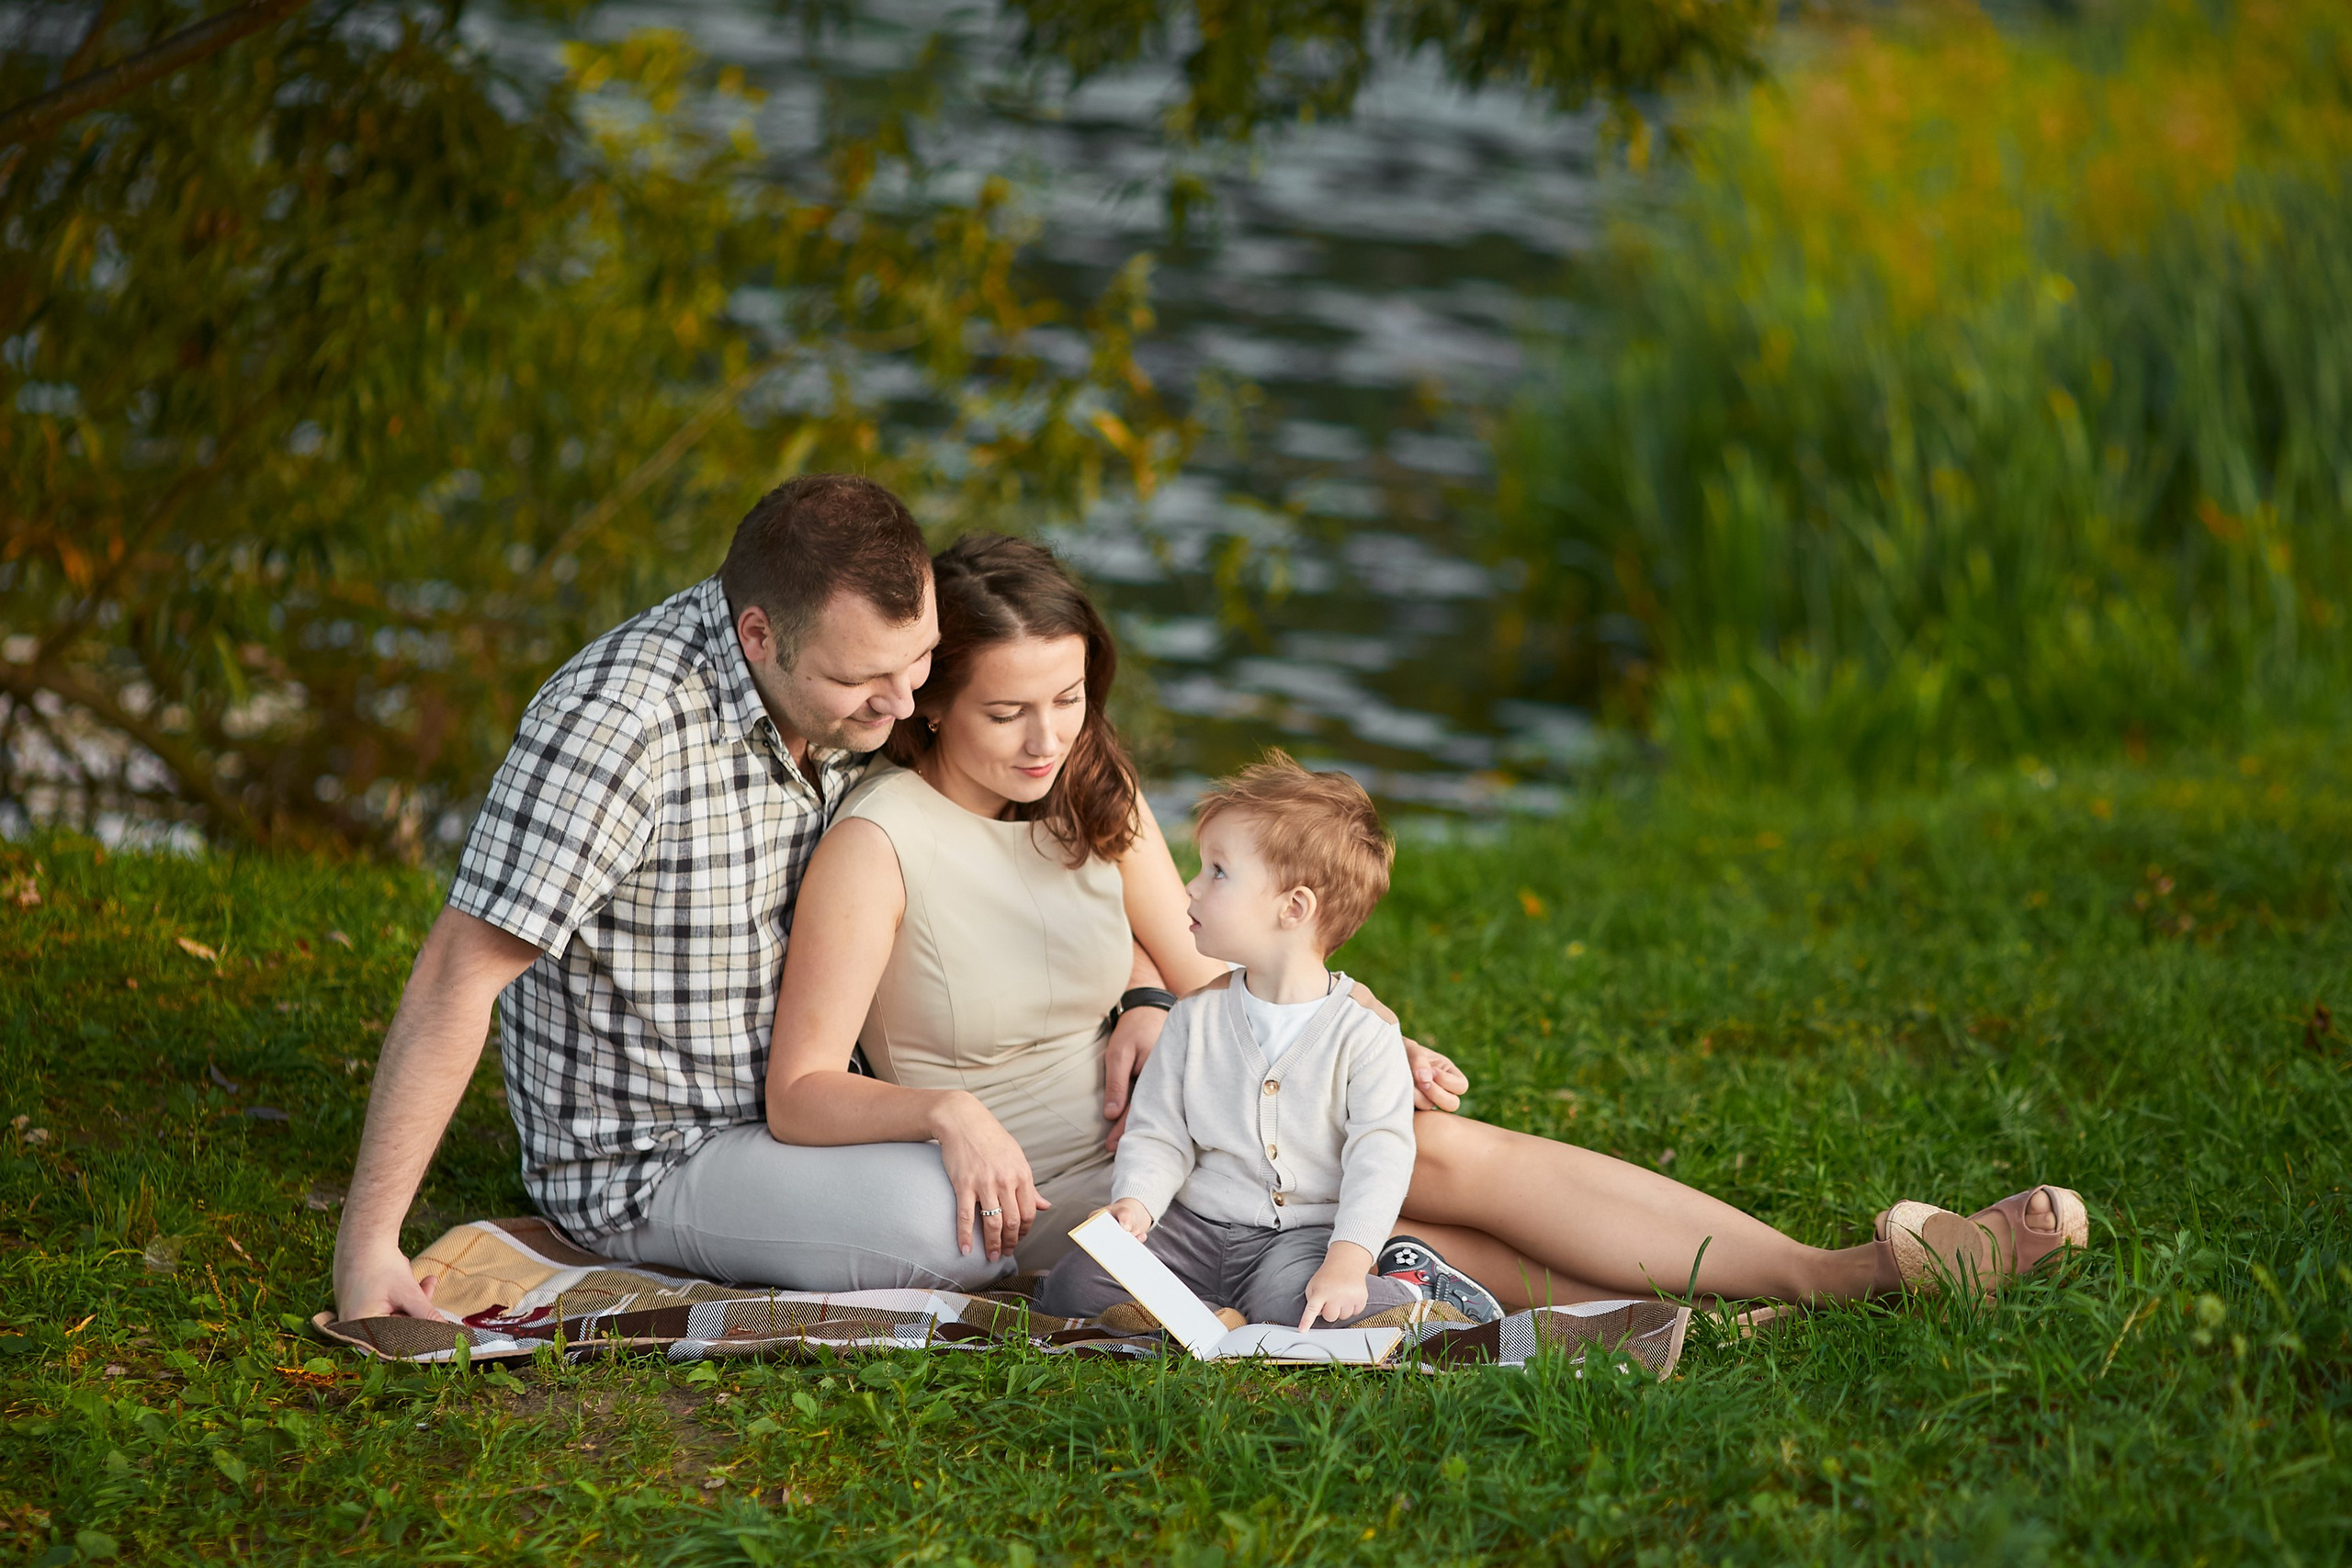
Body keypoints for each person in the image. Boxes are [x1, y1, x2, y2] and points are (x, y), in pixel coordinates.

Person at [761, 532, 2091, 1312]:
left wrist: (1323, 1031)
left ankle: (1829, 1279)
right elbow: (803, 1091)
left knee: (1423, 1155)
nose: (1051, 737)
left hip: (1206, 1113)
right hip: (1080, 1201)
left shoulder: (1091, 795)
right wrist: (944, 1111)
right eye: (1009, 712)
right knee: (1417, 1194)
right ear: (930, 700)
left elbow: (1206, 961)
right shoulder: (881, 844)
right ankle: (1842, 1277)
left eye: (1071, 699)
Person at [1040, 751, 1474, 1331]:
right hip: (1191, 1227)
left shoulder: (1366, 1034)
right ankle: (1213, 1317)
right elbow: (1160, 1130)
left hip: (1299, 1239)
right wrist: (1137, 1204)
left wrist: (1348, 1260)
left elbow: (1379, 1156)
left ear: (1293, 908)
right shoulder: (1194, 1018)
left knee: (1301, 1309)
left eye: (1217, 871)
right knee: (1071, 1284)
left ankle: (1413, 1295)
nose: (1190, 887)